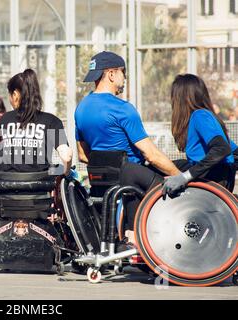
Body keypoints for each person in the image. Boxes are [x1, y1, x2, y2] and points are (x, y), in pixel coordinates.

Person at [75, 51, 180, 246]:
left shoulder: (81, 108)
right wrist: (180, 176)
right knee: (179, 176)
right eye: (123, 73)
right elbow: (151, 154)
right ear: (112, 74)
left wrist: (108, 164)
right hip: (131, 179)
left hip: (102, 181)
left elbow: (82, 155)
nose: (124, 79)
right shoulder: (123, 109)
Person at [162, 74, 236, 195]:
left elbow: (222, 148)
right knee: (167, 165)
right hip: (217, 177)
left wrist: (185, 177)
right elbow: (234, 152)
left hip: (214, 180)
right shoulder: (202, 117)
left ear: (181, 98)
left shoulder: (200, 116)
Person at [0, 69, 72, 175]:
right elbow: (66, 156)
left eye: (10, 95)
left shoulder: (4, 119)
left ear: (15, 94)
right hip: (40, 187)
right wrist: (65, 173)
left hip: (6, 185)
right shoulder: (51, 121)